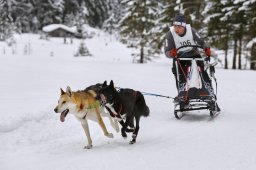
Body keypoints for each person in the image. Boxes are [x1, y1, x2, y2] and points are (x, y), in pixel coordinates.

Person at [164, 13, 214, 101]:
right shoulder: (170, 35)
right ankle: (182, 94)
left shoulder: (192, 31)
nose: (176, 29)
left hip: (194, 54)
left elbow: (202, 41)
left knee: (203, 72)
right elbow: (166, 52)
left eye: (179, 27)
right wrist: (171, 53)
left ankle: (209, 92)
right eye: (175, 26)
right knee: (180, 75)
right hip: (180, 57)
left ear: (184, 26)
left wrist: (206, 48)